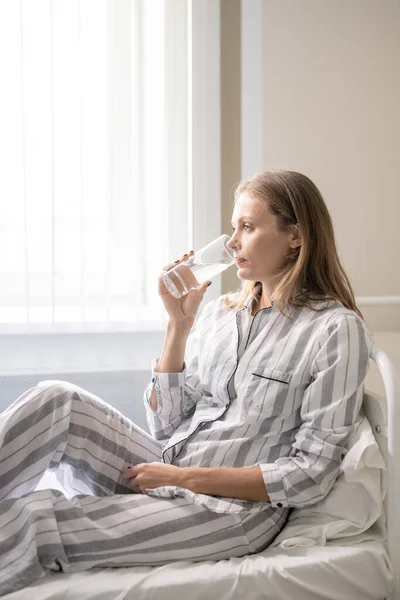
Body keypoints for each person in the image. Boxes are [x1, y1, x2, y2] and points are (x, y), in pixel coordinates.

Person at [0, 170, 373, 595]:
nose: (232, 242)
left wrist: (183, 479)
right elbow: (167, 426)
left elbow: (311, 473)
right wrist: (178, 325)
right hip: (169, 468)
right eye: (234, 228)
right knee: (57, 400)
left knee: (36, 519)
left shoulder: (334, 331)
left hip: (234, 512)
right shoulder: (221, 315)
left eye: (247, 228)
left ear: (296, 236)